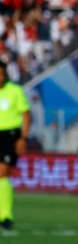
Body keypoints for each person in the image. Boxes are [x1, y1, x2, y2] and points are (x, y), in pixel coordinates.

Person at [0, 61, 30, 231]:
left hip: (9, 135)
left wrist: (23, 138)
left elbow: (26, 115)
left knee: (2, 173)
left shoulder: (15, 91)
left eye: (2, 73)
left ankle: (5, 216)